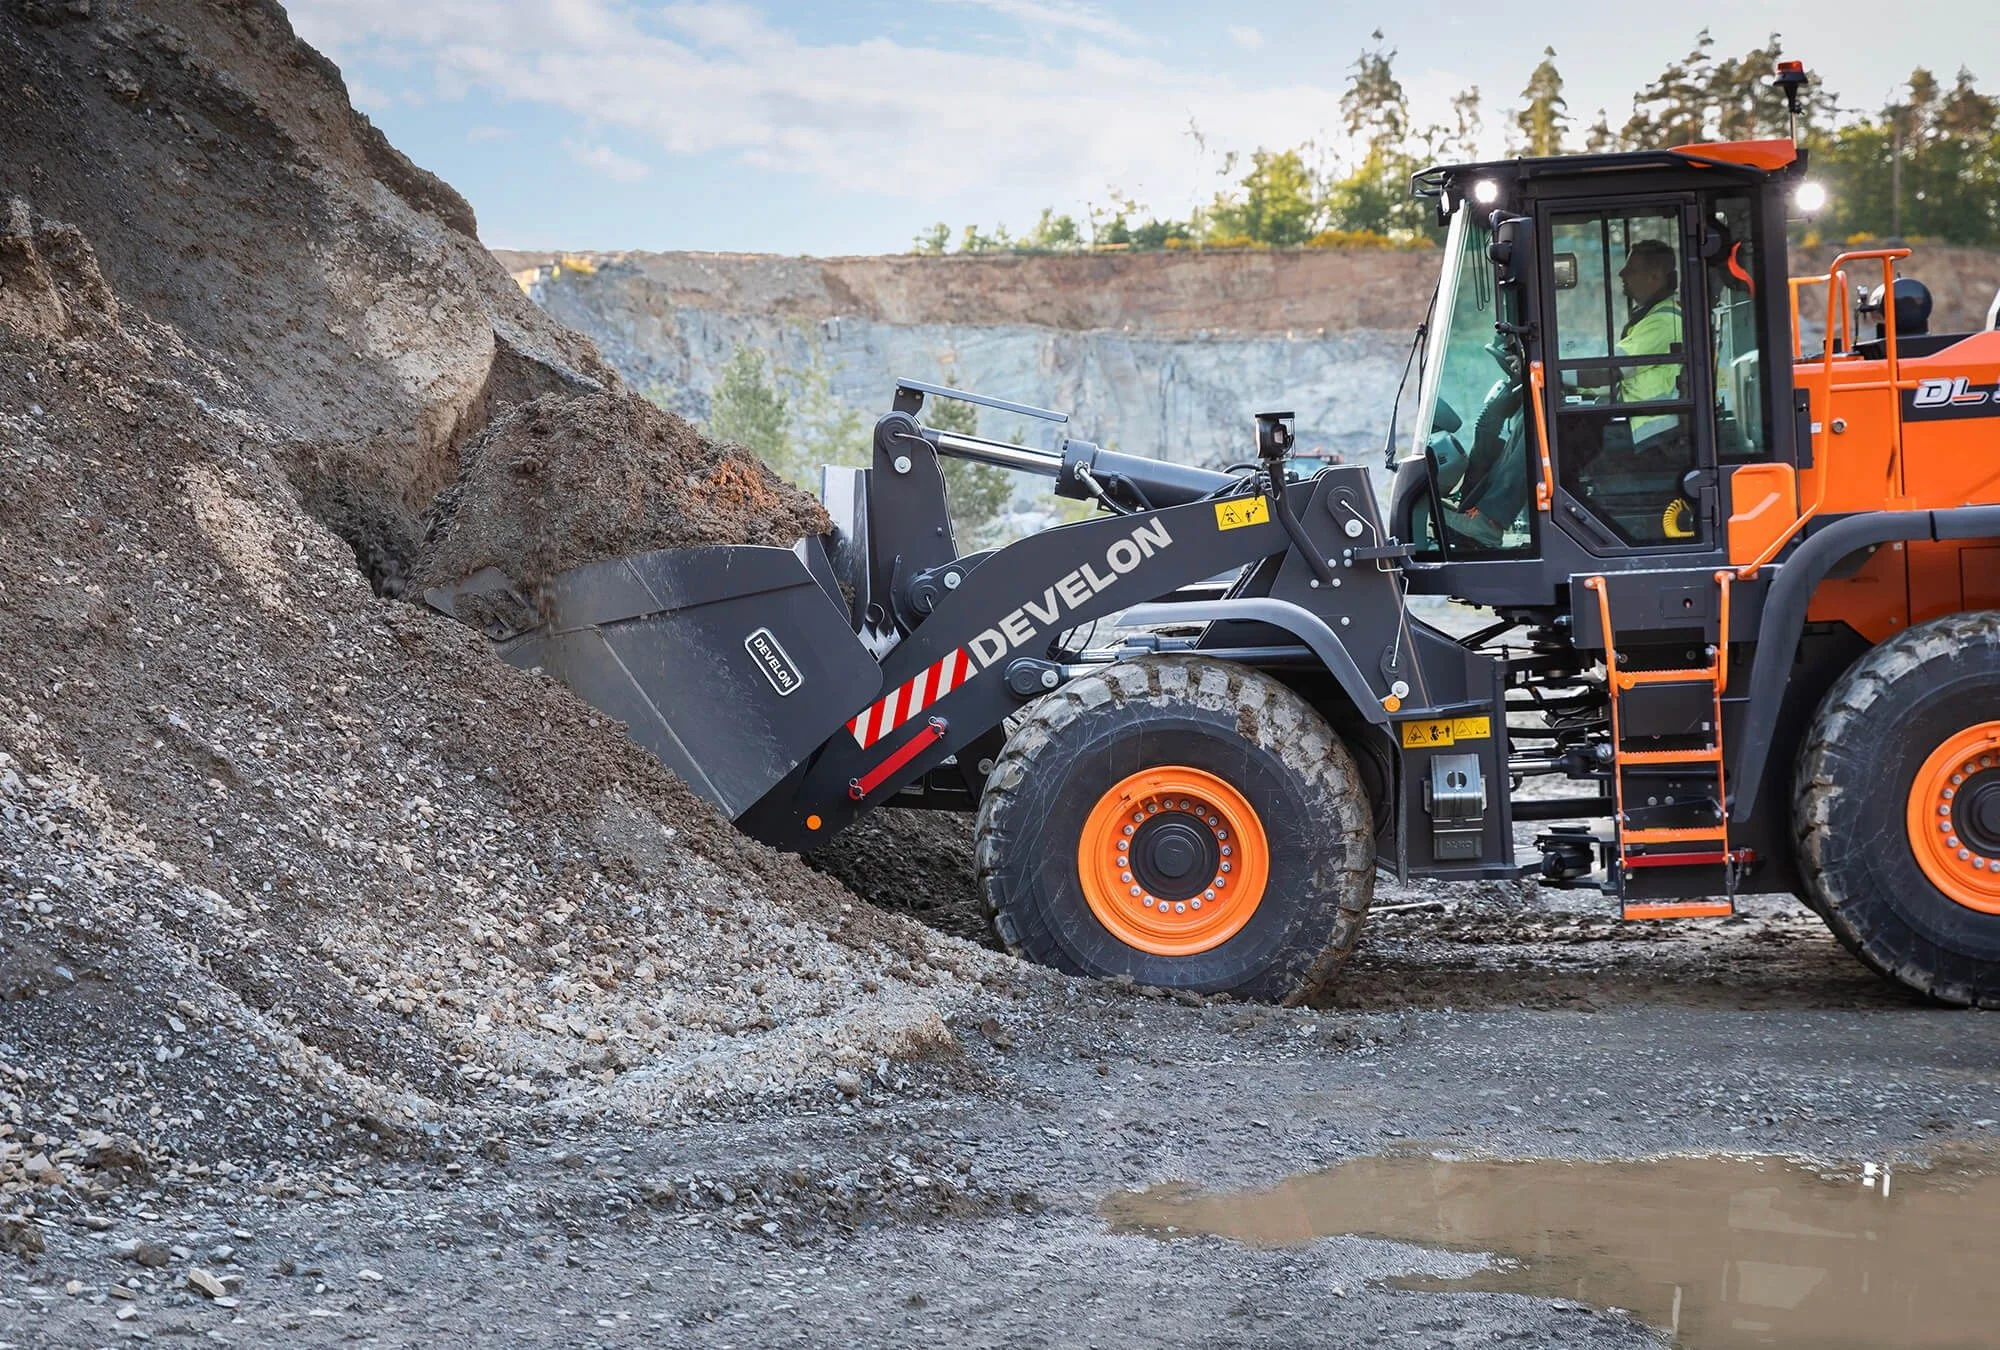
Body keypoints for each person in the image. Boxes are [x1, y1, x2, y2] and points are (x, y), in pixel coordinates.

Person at [1612, 238, 1683, 447]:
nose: (1622, 274)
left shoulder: (1663, 321)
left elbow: (1614, 368)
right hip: (1645, 425)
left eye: (1631, 269)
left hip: (1656, 435)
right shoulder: (1653, 314)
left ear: (1655, 277)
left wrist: (1556, 375)